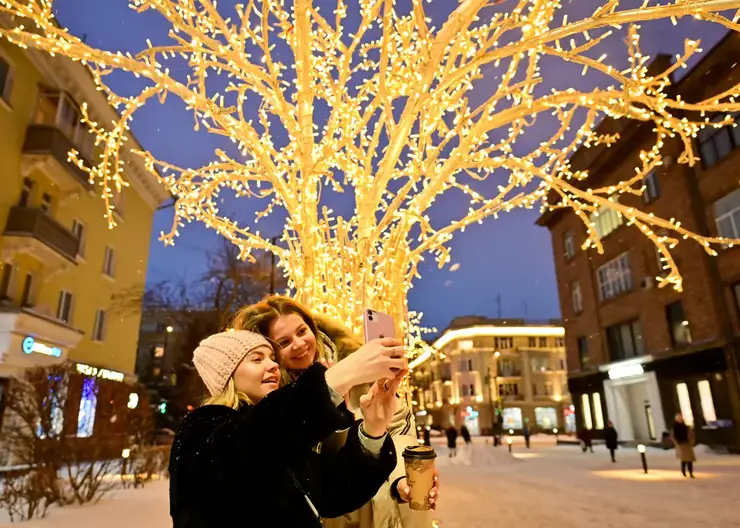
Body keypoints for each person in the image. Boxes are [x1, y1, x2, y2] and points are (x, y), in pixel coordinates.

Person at [231, 296, 438, 528]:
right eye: (284, 342)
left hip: (394, 511)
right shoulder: (275, 401)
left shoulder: (363, 370)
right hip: (345, 516)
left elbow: (398, 427)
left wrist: (401, 479)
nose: (299, 344)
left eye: (302, 331)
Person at [169, 330, 403, 526]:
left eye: (272, 358)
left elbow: (332, 493)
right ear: (226, 376)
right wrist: (338, 377)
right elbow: (248, 445)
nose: (273, 366)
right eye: (256, 359)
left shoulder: (279, 436)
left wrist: (373, 429)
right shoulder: (201, 428)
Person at [671, 413, 696, 478]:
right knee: (684, 460)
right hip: (681, 444)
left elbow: (691, 434)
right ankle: (684, 472)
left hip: (687, 444)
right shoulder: (675, 428)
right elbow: (673, 436)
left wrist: (691, 441)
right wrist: (676, 443)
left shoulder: (686, 427)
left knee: (689, 460)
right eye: (679, 419)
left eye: (681, 419)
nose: (680, 420)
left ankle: (690, 472)